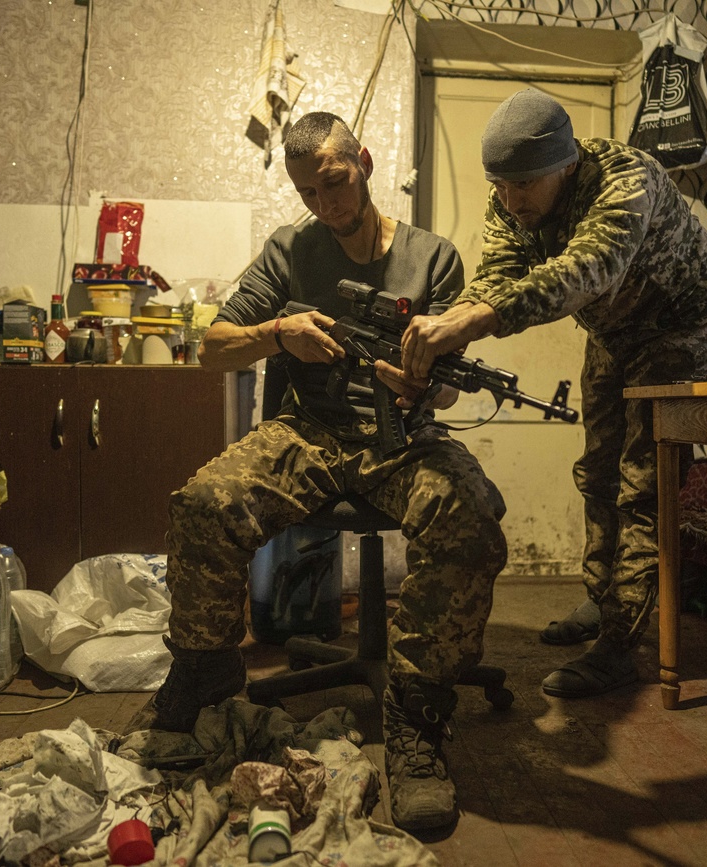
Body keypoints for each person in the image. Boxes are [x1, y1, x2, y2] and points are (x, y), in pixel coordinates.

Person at [126, 111, 508, 834]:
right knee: (205, 502)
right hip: (312, 433)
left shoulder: (434, 258)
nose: (326, 206)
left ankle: (417, 720)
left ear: (362, 161)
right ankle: (205, 671)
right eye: (308, 193)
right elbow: (212, 347)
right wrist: (280, 332)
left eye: (334, 184)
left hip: (405, 437)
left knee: (470, 519)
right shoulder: (290, 250)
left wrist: (425, 382)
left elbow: (455, 383)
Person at [397, 88, 707, 700]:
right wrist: (442, 354)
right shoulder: (510, 201)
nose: (509, 200)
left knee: (643, 482)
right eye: (499, 185)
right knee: (596, 470)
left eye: (523, 185)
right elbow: (497, 280)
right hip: (613, 332)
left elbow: (588, 269)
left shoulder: (629, 179)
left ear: (567, 164)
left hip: (679, 326)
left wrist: (473, 320)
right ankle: (603, 601)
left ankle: (619, 647)